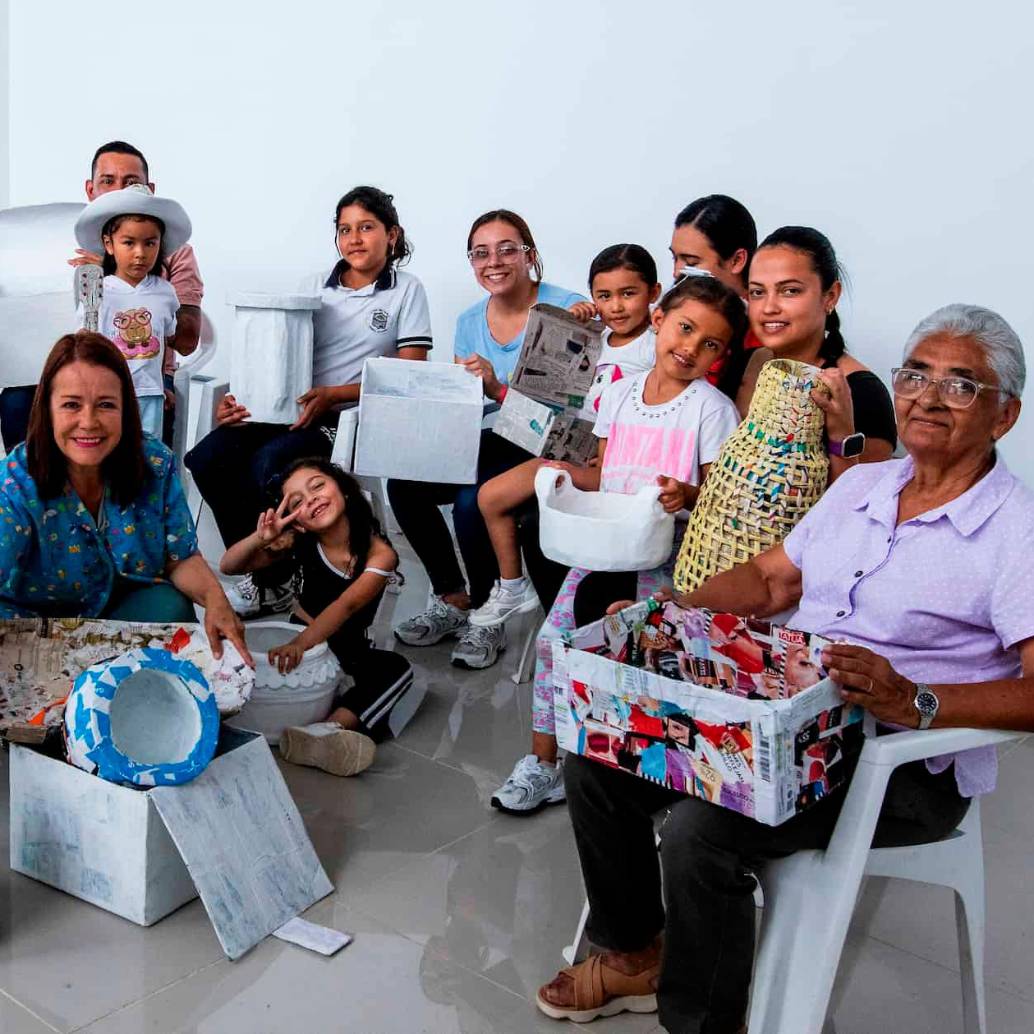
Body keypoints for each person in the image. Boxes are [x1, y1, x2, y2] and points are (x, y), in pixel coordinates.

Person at [536, 304, 1034, 1033]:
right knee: (598, 763)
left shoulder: (1016, 532)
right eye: (915, 375)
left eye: (960, 385)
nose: (927, 396)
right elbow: (773, 582)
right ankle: (634, 951)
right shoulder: (863, 485)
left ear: (1004, 415)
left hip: (896, 762)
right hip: (785, 716)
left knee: (700, 830)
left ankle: (705, 1021)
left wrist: (913, 698)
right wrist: (673, 610)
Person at [490, 274, 744, 814]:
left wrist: (687, 494)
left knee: (639, 661)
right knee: (553, 644)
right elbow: (604, 473)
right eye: (684, 328)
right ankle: (543, 763)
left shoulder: (713, 410)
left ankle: (641, 775)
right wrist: (557, 480)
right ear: (658, 321)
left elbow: (721, 503)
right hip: (603, 545)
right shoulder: (619, 395)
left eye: (711, 344)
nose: (690, 348)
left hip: (665, 559)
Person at [185, 186, 431, 618]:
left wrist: (334, 395)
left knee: (267, 466)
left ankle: (272, 580)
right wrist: (242, 400)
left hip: (346, 417)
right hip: (290, 410)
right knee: (206, 456)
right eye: (344, 230)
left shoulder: (406, 291)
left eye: (366, 228)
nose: (354, 238)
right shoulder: (316, 286)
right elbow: (276, 354)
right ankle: (266, 571)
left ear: (392, 234)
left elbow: (410, 371)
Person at [389, 210, 584, 670]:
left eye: (506, 249)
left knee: (470, 500)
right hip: (495, 435)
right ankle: (453, 598)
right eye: (480, 253)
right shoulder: (470, 319)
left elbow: (557, 419)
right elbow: (466, 403)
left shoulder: (566, 308)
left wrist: (496, 387)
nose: (492, 261)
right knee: (405, 483)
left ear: (530, 256)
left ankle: (485, 613)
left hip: (549, 445)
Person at [0, 332, 250, 666]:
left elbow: (179, 557)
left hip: (110, 608)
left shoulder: (154, 463)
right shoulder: (15, 484)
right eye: (71, 404)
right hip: (29, 620)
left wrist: (216, 599)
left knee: (170, 606)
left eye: (106, 404)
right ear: (47, 410)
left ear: (126, 409)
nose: (88, 422)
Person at [470, 244, 661, 629]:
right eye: (604, 296)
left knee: (522, 502)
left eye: (629, 294)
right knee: (489, 496)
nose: (617, 306)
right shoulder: (598, 338)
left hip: (618, 457)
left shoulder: (656, 343)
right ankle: (512, 585)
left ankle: (533, 598)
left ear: (654, 294)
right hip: (575, 442)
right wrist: (574, 325)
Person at [0, 141, 203, 452]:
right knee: (16, 403)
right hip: (63, 370)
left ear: (149, 189)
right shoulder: (57, 244)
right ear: (90, 189)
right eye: (108, 182)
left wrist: (130, 280)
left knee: (145, 423)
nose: (119, 191)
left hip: (146, 376)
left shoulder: (171, 248)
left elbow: (187, 339)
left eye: (131, 183)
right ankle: (37, 494)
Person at [220, 456, 411, 777]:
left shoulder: (380, 554)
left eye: (318, 486)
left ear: (345, 490)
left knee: (394, 669)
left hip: (346, 645)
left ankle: (326, 731)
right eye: (297, 502)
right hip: (304, 636)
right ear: (298, 521)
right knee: (395, 669)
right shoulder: (299, 541)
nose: (311, 500)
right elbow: (229, 566)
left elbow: (346, 606)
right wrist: (261, 539)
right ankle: (328, 724)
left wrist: (300, 644)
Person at [73, 184, 194, 438]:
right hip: (108, 394)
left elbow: (162, 342)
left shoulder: (165, 292)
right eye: (128, 243)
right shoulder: (99, 290)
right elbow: (85, 343)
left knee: (147, 456)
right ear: (109, 244)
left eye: (150, 243)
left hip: (150, 395)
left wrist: (161, 386)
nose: (140, 254)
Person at [668, 194, 763, 392]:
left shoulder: (765, 333)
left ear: (737, 260)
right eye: (674, 258)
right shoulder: (673, 313)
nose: (677, 272)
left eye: (691, 262)